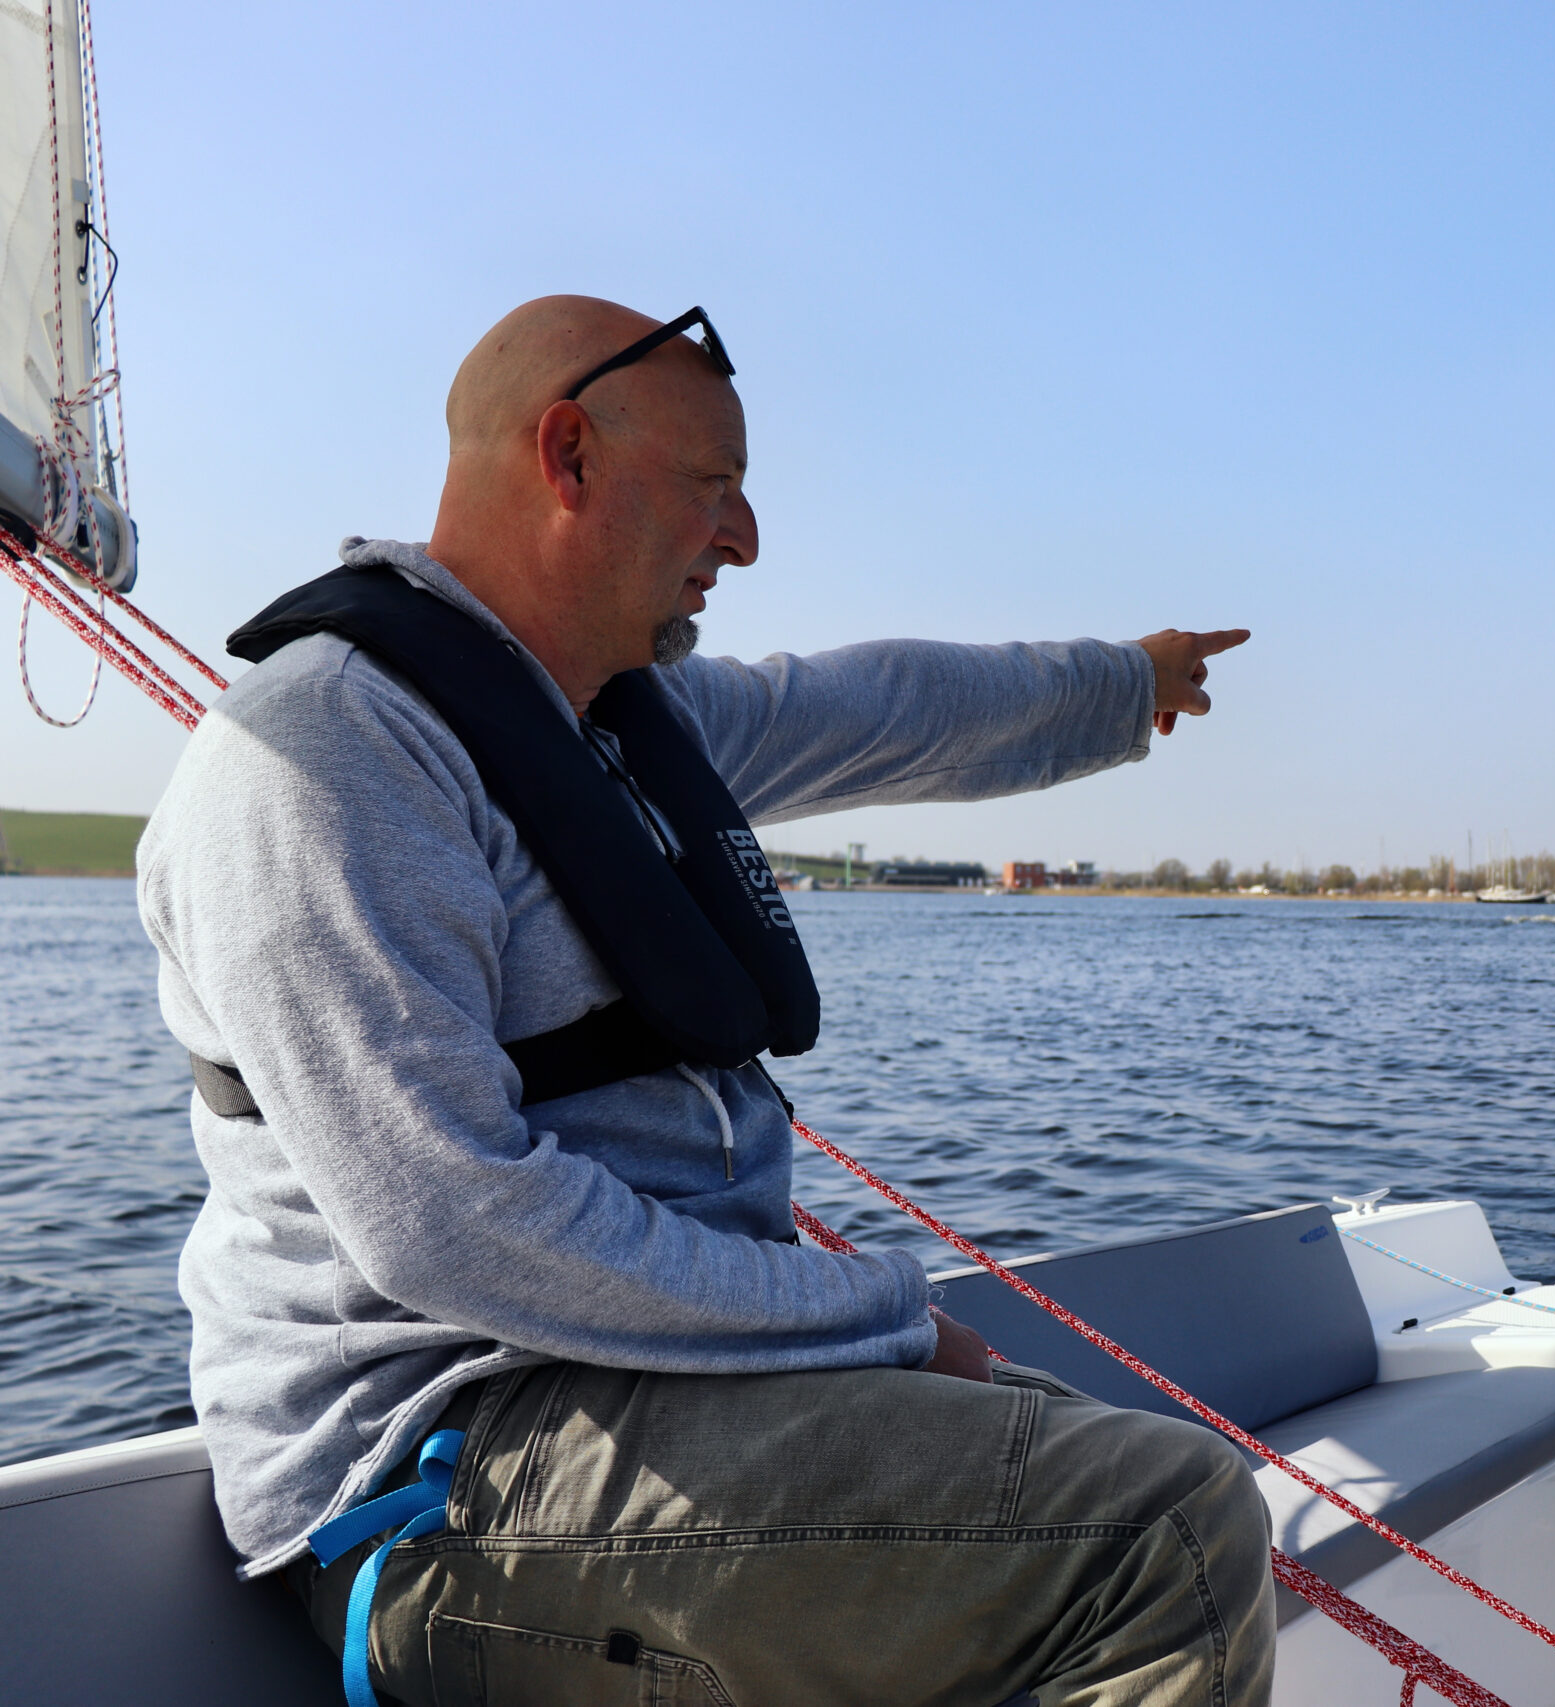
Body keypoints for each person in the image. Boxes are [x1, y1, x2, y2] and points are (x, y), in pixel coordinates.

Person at [138, 296, 1274, 1707]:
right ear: (567, 455)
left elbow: (886, 706)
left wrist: (1122, 684)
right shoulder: (324, 757)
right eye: (712, 485)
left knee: (1138, 1469)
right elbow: (451, 1224)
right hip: (446, 1466)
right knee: (1165, 1530)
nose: (743, 538)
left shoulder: (619, 722)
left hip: (677, 1389)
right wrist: (882, 1315)